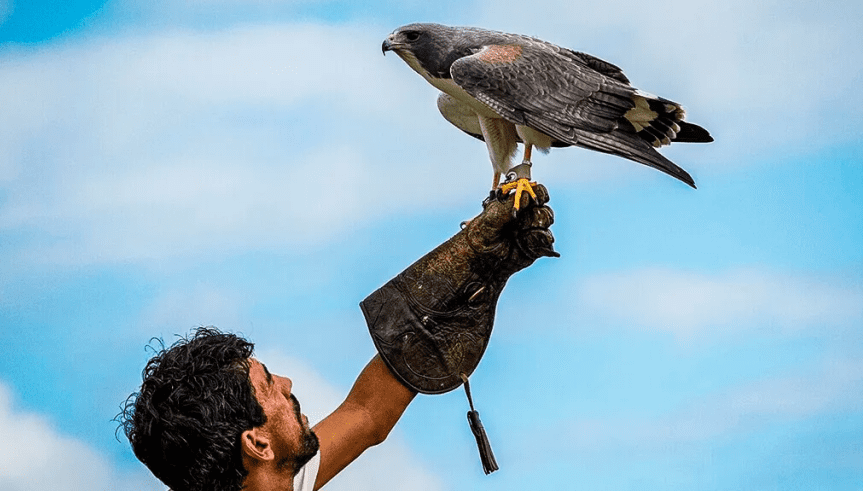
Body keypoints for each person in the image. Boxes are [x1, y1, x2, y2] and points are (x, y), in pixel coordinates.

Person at [118, 183, 557, 491]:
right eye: (269, 384)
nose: (287, 383)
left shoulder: (271, 481)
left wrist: (477, 266)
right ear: (257, 444)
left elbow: (367, 413)